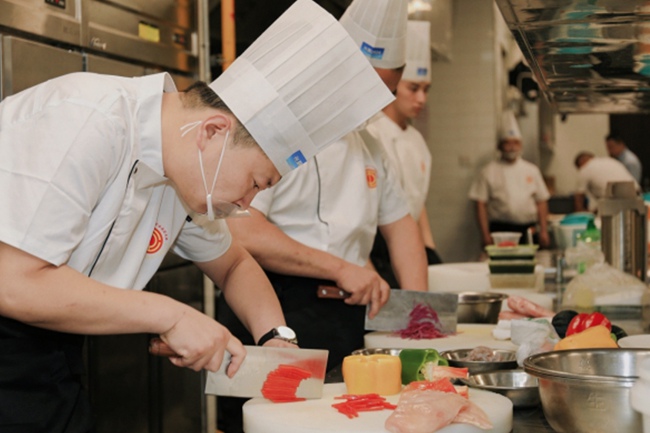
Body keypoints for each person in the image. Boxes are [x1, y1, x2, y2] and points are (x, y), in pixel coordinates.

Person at [0, 0, 393, 431]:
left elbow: (236, 264)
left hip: (50, 352)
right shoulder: (88, 120)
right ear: (212, 131)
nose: (247, 203)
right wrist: (171, 315)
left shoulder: (186, 176)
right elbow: (14, 282)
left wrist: (277, 339)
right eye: (256, 182)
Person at [216, 0, 427, 431]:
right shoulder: (271, 125)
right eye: (370, 87)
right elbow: (242, 230)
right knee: (267, 425)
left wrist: (420, 316)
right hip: (271, 307)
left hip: (347, 317)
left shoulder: (371, 147)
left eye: (387, 90)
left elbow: (402, 228)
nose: (376, 102)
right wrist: (340, 267)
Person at [367, 20, 442, 288]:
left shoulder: (417, 140)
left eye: (426, 89)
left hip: (407, 246)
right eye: (414, 88)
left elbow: (416, 205)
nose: (422, 99)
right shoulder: (371, 133)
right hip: (374, 250)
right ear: (394, 84)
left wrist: (429, 251)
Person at [468, 111, 551, 248]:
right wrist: (485, 234)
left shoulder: (531, 170)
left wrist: (544, 231)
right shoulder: (488, 171)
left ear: (521, 145)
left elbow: (541, 201)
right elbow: (480, 205)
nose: (512, 147)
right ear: (499, 146)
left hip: (528, 229)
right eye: (507, 143)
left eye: (516, 143)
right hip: (500, 230)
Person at [573, 151, 639, 212]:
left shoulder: (585, 168)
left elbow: (579, 197)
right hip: (636, 194)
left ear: (581, 162)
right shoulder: (610, 160)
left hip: (615, 201)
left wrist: (582, 214)